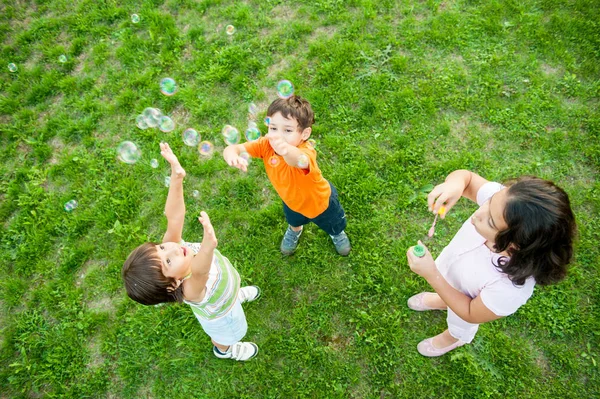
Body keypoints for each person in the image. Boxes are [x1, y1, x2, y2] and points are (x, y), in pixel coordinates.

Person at [405, 169, 576, 357]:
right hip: (453, 274)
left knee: (458, 324)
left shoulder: (510, 288)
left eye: (491, 222)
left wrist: (432, 275)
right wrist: (455, 185)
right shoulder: (505, 204)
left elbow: (470, 312)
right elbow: (467, 179)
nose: (477, 214)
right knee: (447, 288)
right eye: (489, 201)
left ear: (515, 245)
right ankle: (442, 300)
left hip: (466, 309)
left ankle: (452, 338)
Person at [122, 143, 261, 361]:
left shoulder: (174, 248)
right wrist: (207, 245)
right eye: (168, 260)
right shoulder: (190, 290)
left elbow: (174, 216)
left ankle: (235, 296)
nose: (172, 248)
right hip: (221, 316)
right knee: (230, 334)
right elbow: (200, 272)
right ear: (173, 285)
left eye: (160, 247)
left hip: (226, 296)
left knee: (231, 301)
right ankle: (225, 350)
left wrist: (177, 177)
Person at [223, 95, 351, 256]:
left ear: (304, 134)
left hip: (321, 202)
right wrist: (231, 155)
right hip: (291, 201)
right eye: (273, 128)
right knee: (294, 220)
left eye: (288, 130)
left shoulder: (306, 152)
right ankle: (295, 230)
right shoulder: (266, 145)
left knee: (333, 223)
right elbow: (233, 148)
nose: (278, 136)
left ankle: (336, 234)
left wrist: (285, 150)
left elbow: (296, 160)